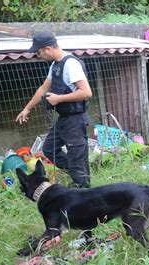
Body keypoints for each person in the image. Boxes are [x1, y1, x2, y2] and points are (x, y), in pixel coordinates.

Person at [16, 31, 92, 188]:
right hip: (64, 118)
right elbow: (44, 88)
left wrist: (59, 99)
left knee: (76, 157)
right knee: (49, 148)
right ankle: (78, 174)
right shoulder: (55, 65)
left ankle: (82, 190)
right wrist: (27, 109)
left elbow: (86, 92)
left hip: (75, 120)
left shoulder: (71, 64)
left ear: (48, 48)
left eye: (38, 52)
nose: (38, 55)